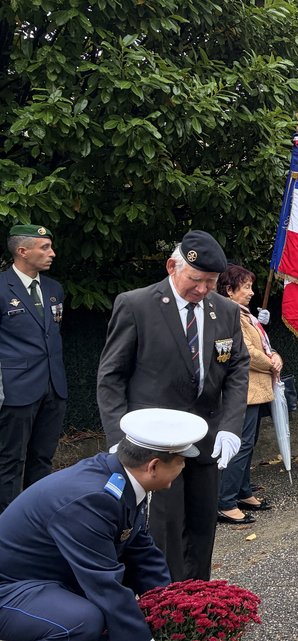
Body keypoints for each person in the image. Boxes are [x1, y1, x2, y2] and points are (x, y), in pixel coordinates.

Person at [96, 230, 249, 581]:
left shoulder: (224, 310)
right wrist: (120, 436)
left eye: (211, 282)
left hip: (206, 438)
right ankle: (166, 605)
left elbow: (237, 367)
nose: (202, 290)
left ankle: (199, 601)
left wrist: (230, 426)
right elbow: (111, 376)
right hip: (154, 443)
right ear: (172, 266)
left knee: (201, 525)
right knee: (163, 530)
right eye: (196, 280)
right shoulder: (136, 305)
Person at [0, 408, 208, 641]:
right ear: (153, 466)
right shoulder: (92, 500)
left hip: (52, 579)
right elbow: (104, 583)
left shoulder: (119, 477)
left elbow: (141, 552)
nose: (183, 468)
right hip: (11, 590)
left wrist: (170, 607)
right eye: (181, 462)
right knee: (82, 621)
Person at [0, 224, 67, 513]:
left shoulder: (54, 289)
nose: (52, 253)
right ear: (22, 250)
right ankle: (8, 523)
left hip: (53, 387)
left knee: (42, 458)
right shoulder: (2, 287)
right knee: (9, 460)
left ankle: (37, 519)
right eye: (45, 247)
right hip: (15, 391)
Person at [215, 265, 282, 525]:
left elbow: (262, 346)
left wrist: (275, 355)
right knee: (239, 445)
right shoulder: (228, 314)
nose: (251, 292)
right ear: (229, 290)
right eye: (246, 287)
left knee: (248, 443)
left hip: (254, 390)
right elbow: (246, 352)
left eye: (251, 286)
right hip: (243, 390)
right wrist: (272, 362)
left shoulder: (243, 314)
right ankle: (225, 502)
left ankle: (242, 492)